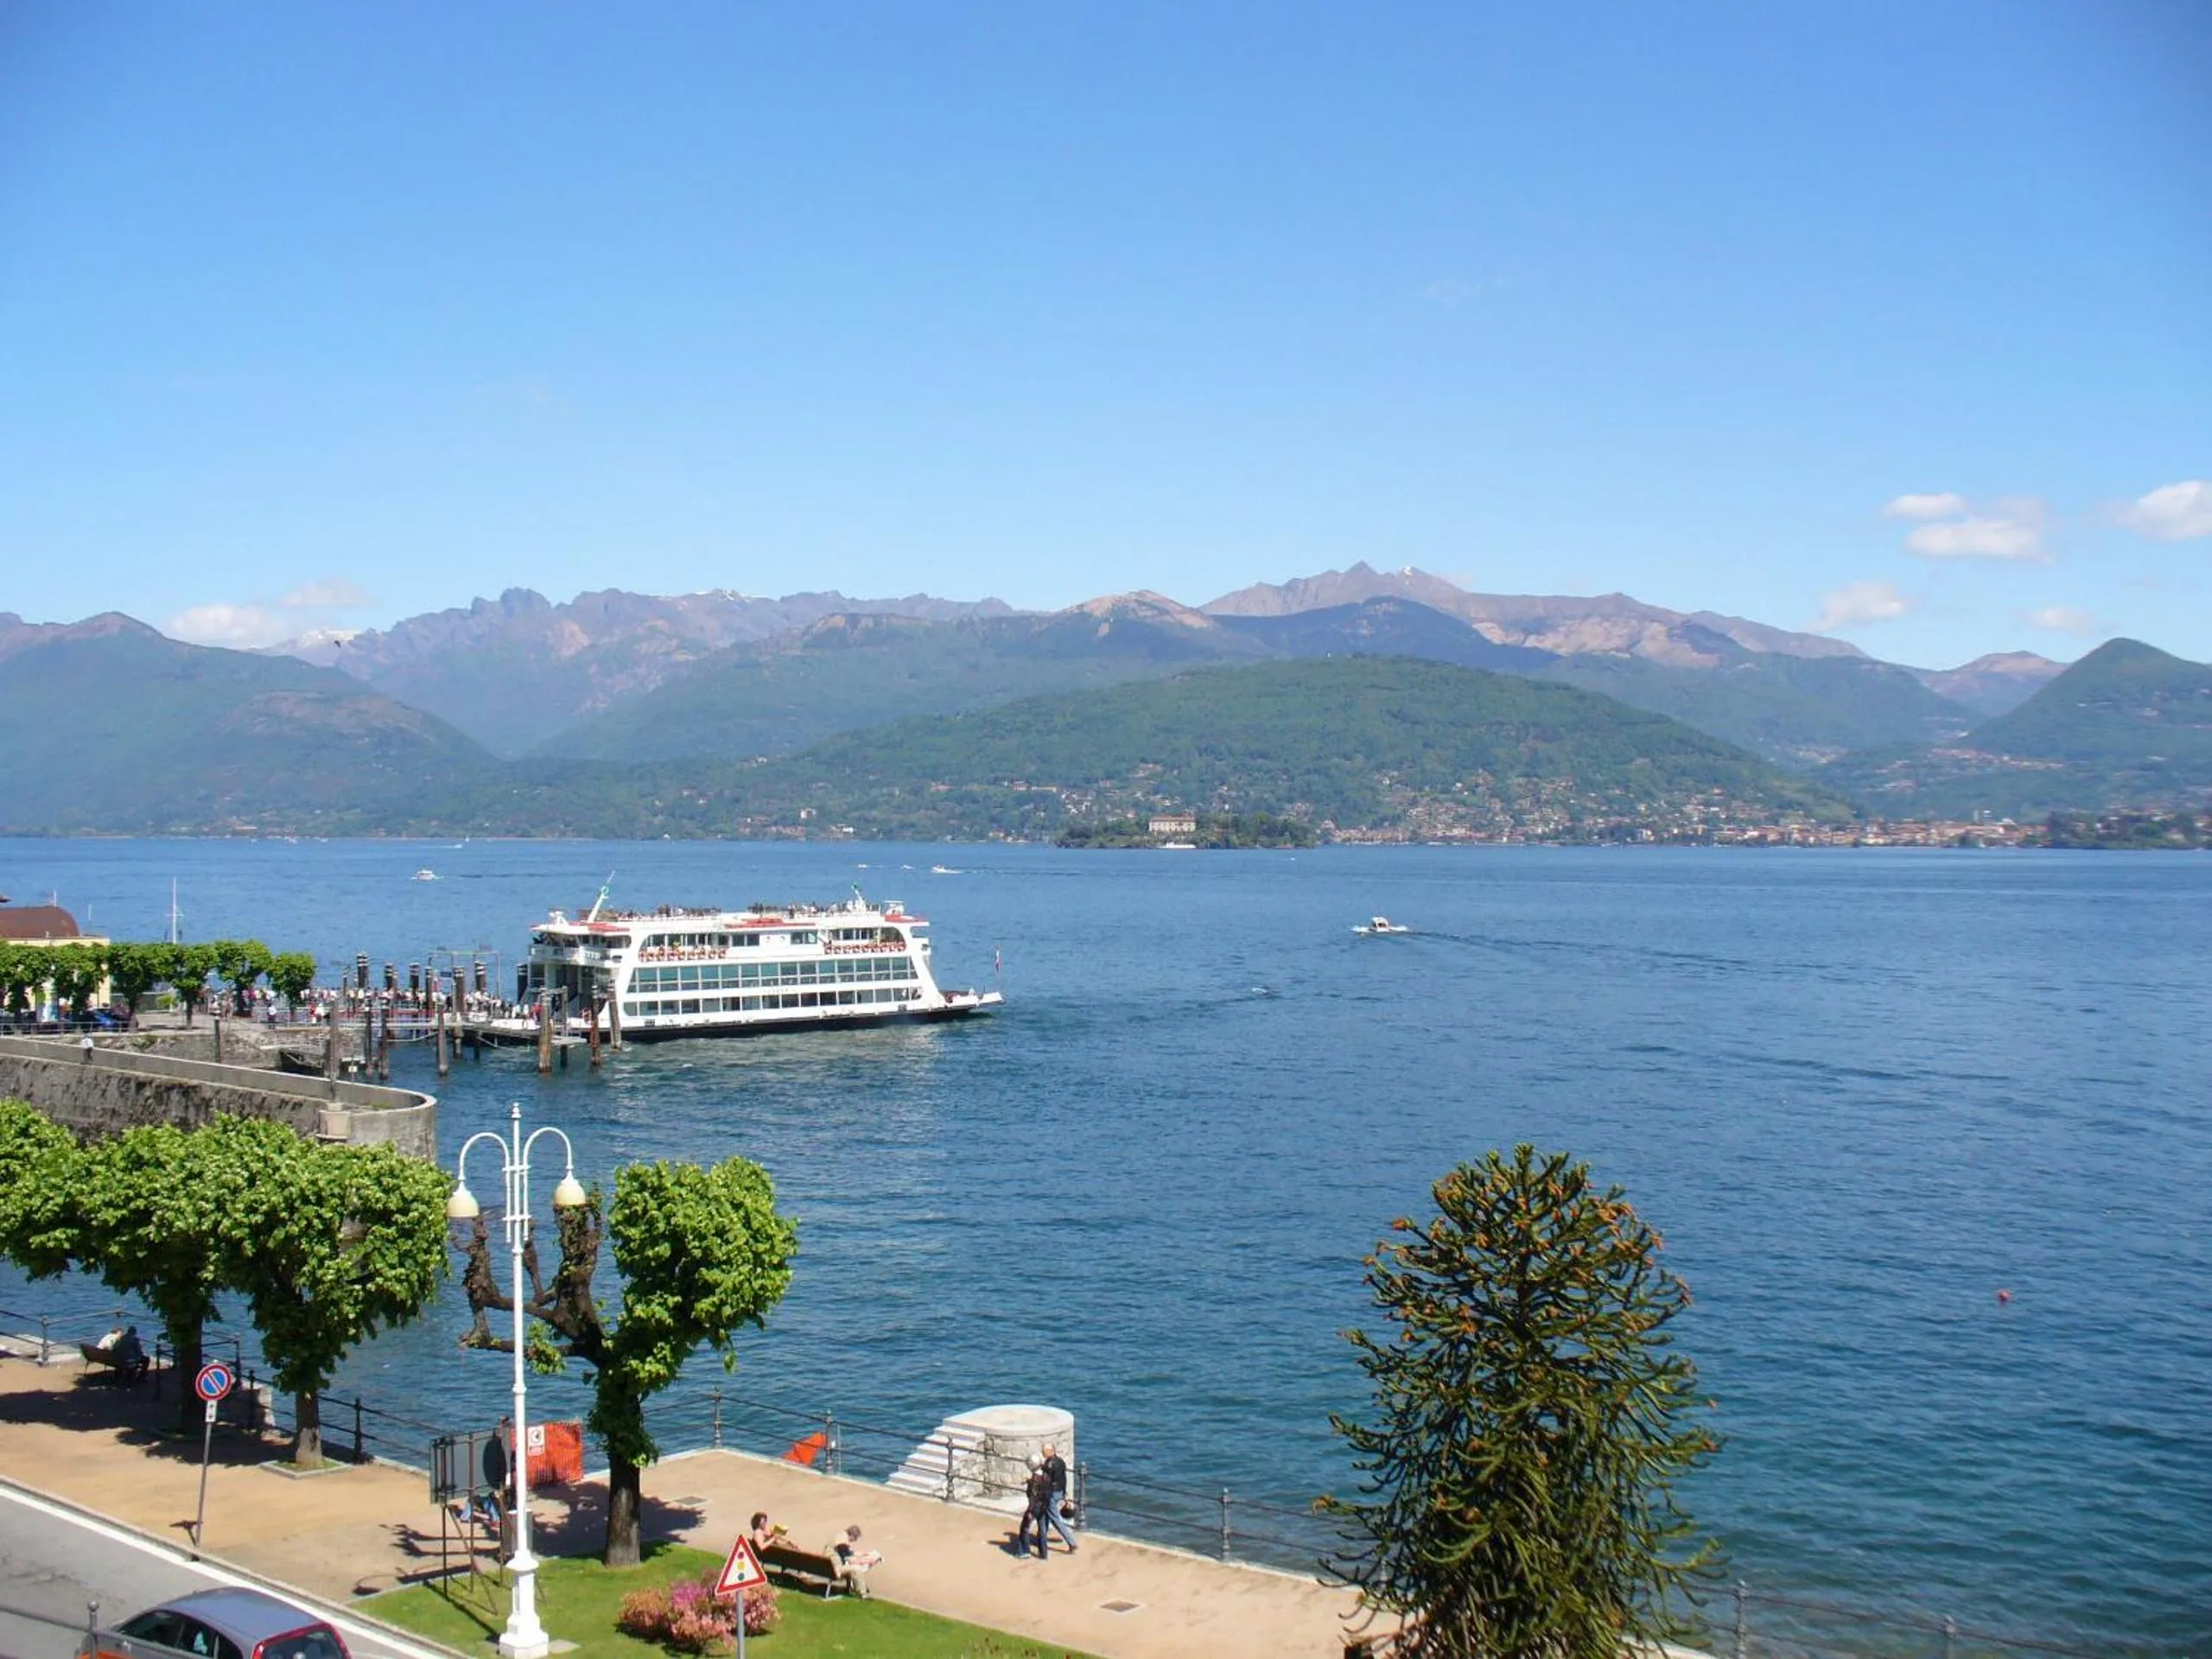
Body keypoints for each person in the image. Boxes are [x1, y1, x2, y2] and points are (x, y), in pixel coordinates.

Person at [1041, 1442, 1078, 1554]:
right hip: (1058, 1492)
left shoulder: (1051, 1464)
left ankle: (1072, 1542)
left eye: (1044, 1451)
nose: (1042, 1453)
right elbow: (1063, 1478)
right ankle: (1041, 1538)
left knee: (1055, 1519)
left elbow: (1051, 1479)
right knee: (1044, 1515)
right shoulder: (1060, 1461)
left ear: (1051, 1451)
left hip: (1052, 1493)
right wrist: (1064, 1493)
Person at [1017, 1452, 1053, 1559]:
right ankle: (1043, 1553)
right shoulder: (1046, 1475)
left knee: (1024, 1528)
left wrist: (1030, 1511)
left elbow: (1033, 1496)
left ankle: (1025, 1551)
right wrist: (1029, 1481)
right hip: (1044, 1506)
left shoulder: (1035, 1480)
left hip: (1035, 1508)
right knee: (1042, 1530)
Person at [829, 1524, 880, 1597]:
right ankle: (863, 1593)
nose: (855, 1540)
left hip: (829, 1568)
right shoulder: (842, 1543)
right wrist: (868, 1561)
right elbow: (850, 1560)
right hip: (835, 1570)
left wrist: (864, 1553)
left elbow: (848, 1553)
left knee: (852, 1567)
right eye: (855, 1538)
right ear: (852, 1536)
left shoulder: (840, 1537)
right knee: (857, 1569)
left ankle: (853, 1588)